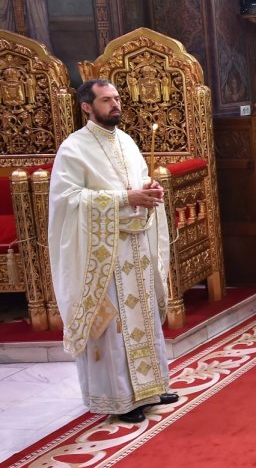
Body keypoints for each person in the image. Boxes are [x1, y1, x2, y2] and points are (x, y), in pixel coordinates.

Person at [49, 79, 178, 423]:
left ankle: (150, 388)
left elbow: (137, 184)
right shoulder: (73, 149)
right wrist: (125, 198)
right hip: (102, 255)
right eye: (107, 100)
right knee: (113, 327)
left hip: (134, 246)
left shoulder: (127, 141)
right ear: (87, 107)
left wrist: (149, 189)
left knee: (144, 318)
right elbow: (68, 202)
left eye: (117, 98)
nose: (115, 104)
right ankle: (120, 399)